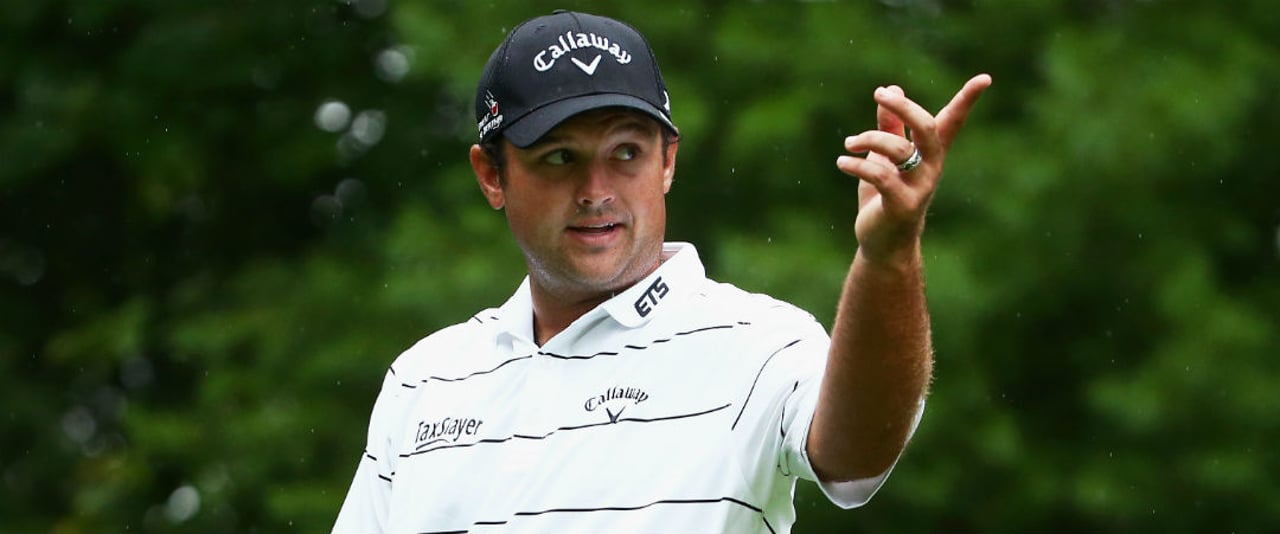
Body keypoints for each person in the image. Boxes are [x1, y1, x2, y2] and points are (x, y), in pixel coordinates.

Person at [333, 10, 990, 534]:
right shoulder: (424, 381)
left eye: (626, 153)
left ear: (667, 162)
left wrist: (889, 255)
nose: (596, 189)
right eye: (560, 158)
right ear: (491, 175)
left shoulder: (759, 343)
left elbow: (858, 456)